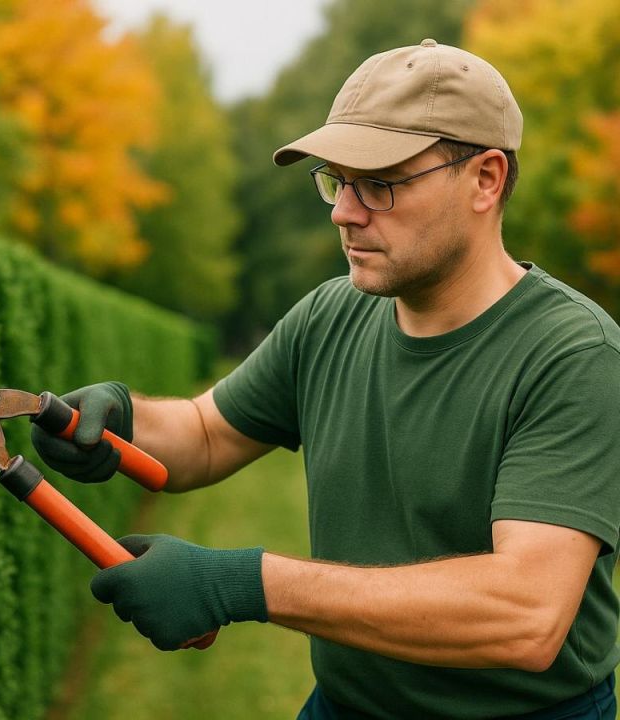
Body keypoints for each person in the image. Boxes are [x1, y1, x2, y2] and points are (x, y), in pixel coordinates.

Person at [31, 39, 620, 719]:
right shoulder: (333, 314)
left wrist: (247, 583)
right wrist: (118, 419)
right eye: (337, 181)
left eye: (380, 184)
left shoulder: (573, 355)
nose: (344, 211)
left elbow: (525, 613)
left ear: (485, 179)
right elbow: (207, 433)